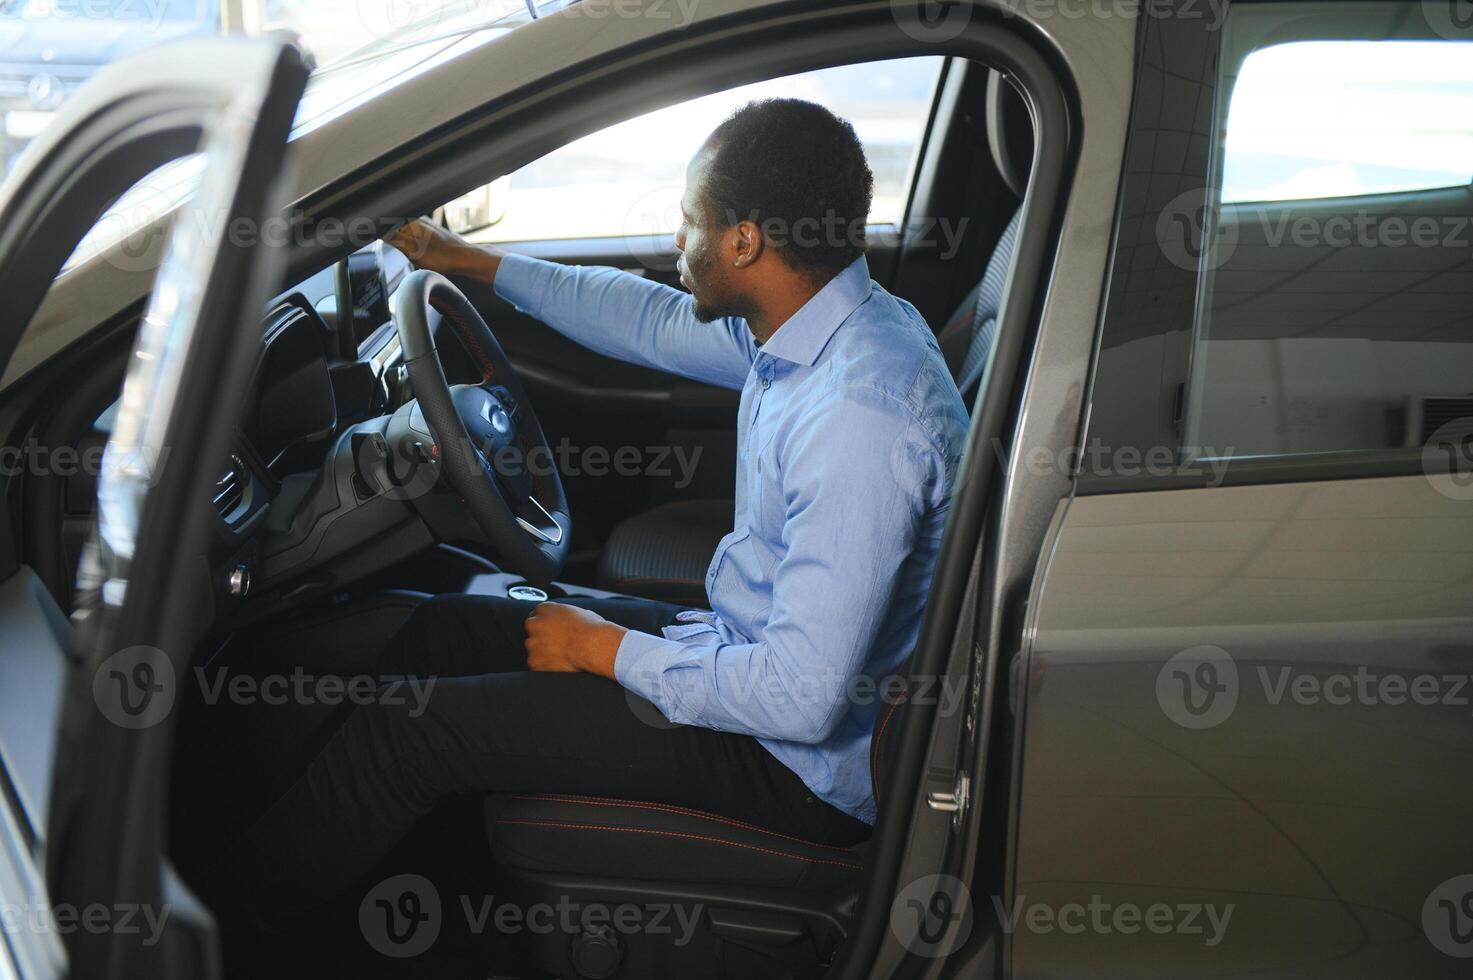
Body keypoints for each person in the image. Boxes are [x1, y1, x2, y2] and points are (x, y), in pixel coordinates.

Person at [211, 98, 967, 931]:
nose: (676, 242)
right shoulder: (813, 323)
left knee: (412, 732)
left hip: (792, 763)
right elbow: (642, 318)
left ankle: (204, 932)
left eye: (690, 222)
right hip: (741, 652)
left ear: (744, 242)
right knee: (447, 632)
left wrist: (605, 650)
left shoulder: (860, 415)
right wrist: (460, 259)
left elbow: (800, 700)